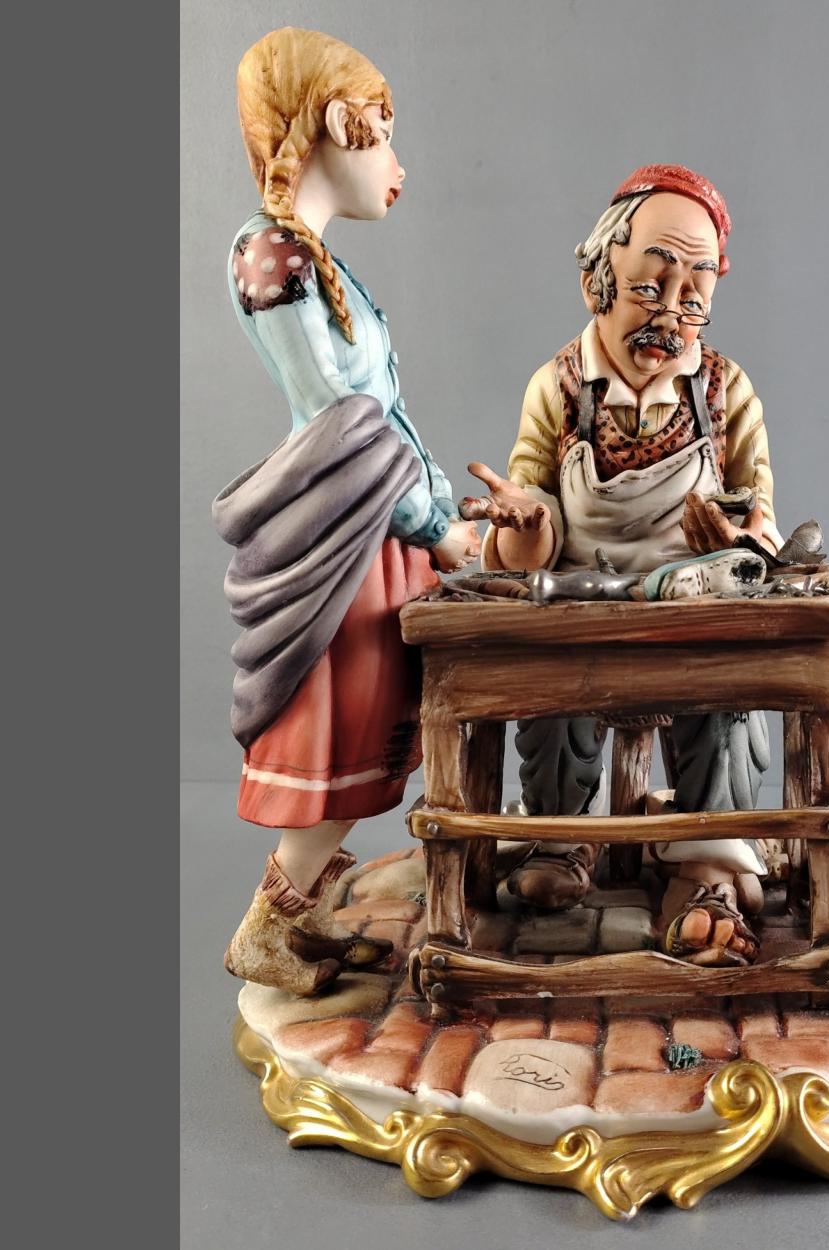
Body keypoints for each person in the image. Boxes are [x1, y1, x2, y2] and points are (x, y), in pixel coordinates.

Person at [217, 28, 481, 995]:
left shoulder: (312, 257)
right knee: (346, 726)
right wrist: (437, 527)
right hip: (345, 535)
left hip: (378, 523)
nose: (397, 163)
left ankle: (302, 919)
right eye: (386, 132)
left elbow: (383, 418)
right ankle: (270, 926)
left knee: (377, 727)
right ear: (338, 122)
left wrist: (440, 509)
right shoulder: (272, 255)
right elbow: (347, 423)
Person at [470, 165, 780, 967]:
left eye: (694, 294)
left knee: (727, 689)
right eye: (650, 286)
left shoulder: (726, 392)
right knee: (550, 689)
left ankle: (706, 863)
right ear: (597, 281)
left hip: (689, 604)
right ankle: (561, 837)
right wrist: (525, 524)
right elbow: (526, 529)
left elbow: (762, 522)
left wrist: (736, 540)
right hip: (584, 601)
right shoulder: (558, 388)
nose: (672, 313)